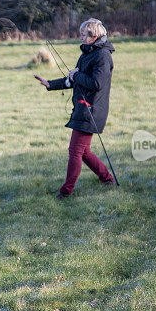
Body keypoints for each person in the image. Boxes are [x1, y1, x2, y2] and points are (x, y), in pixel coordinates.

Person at [34, 18, 115, 198]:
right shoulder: (86, 53)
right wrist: (50, 84)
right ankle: (107, 180)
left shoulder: (102, 56)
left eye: (83, 34)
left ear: (94, 36)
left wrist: (76, 75)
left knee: (75, 152)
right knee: (83, 152)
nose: (80, 37)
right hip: (82, 109)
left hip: (91, 111)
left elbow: (97, 83)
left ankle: (66, 191)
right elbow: (73, 79)